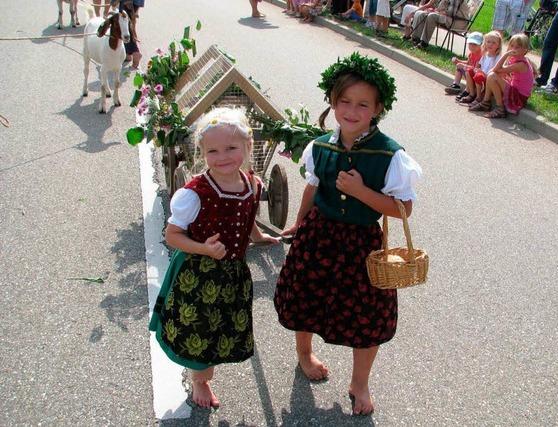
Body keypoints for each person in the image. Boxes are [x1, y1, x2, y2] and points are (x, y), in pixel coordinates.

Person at [274, 52, 422, 416]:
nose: (352, 111)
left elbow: (403, 209)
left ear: (378, 108)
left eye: (362, 104)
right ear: (332, 102)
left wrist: (363, 194)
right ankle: (304, 354)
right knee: (306, 297)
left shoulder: (391, 155)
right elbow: (312, 188)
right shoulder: (319, 146)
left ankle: (360, 382)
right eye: (344, 101)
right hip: (318, 237)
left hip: (361, 244)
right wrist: (299, 222)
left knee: (367, 317)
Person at [149, 108, 280, 409]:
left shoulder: (252, 183)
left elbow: (247, 215)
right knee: (200, 330)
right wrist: (205, 248)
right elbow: (172, 236)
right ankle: (200, 380)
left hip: (233, 273)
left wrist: (258, 237)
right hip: (198, 274)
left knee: (221, 328)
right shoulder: (194, 194)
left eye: (231, 148)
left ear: (248, 146)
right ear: (202, 152)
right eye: (213, 151)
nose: (222, 157)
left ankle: (203, 373)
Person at [469, 33, 536, 118]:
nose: (513, 49)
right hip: (515, 90)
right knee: (492, 75)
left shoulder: (521, 64)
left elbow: (495, 69)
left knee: (492, 75)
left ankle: (500, 109)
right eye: (512, 45)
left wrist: (506, 54)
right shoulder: (515, 59)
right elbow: (499, 71)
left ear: (525, 50)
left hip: (519, 97)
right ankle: (485, 102)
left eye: (517, 47)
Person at [407, 0, 477, 48]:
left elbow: (451, 13)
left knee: (432, 16)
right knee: (423, 14)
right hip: (449, 18)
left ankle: (424, 43)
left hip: (457, 22)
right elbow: (440, 9)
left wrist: (438, 12)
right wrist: (435, 11)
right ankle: (415, 39)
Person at [458, 30, 503, 104]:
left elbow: (496, 70)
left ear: (498, 45)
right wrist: (475, 69)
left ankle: (478, 97)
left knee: (478, 75)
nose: (490, 44)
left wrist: (481, 72)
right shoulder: (485, 54)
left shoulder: (498, 57)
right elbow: (478, 65)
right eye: (488, 42)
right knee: (468, 71)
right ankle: (472, 94)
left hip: (489, 78)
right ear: (485, 43)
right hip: (481, 75)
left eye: (493, 43)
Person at [444, 31, 484, 95]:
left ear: (481, 44)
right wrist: (458, 61)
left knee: (467, 71)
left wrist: (464, 66)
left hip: (475, 77)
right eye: (470, 44)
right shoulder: (471, 53)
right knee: (458, 66)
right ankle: (456, 85)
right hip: (469, 73)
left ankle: (468, 90)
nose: (472, 46)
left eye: (475, 44)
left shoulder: (480, 55)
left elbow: (476, 69)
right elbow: (468, 62)